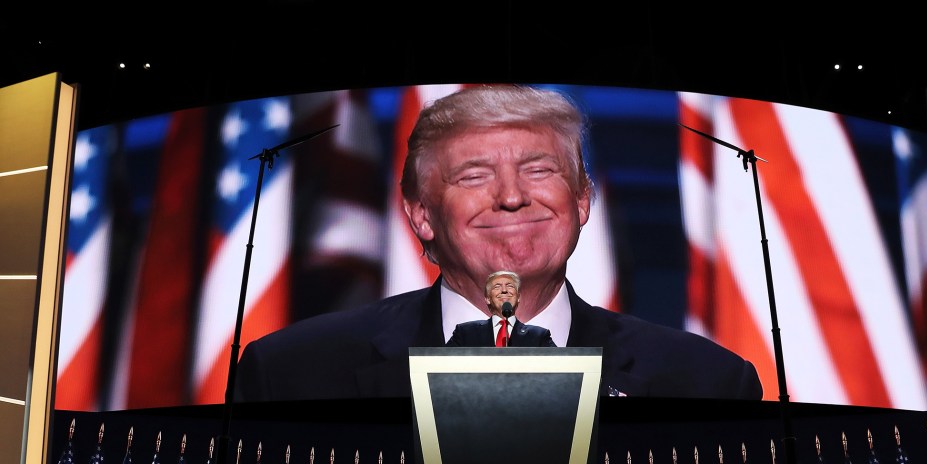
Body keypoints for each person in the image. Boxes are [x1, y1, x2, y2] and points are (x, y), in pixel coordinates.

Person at [234, 84, 763, 401]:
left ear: (582, 200)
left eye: (539, 170)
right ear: (421, 214)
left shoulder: (705, 382)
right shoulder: (291, 374)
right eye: (473, 176)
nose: (512, 197)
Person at [446, 271, 556, 347]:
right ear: (488, 299)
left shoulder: (539, 336)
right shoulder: (465, 333)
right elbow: (439, 363)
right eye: (497, 287)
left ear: (518, 298)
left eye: (510, 286)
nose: (504, 290)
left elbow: (562, 365)